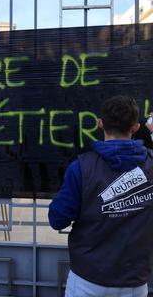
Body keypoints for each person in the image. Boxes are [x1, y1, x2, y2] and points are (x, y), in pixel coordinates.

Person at [48, 95, 153, 297]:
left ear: (100, 123)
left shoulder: (81, 168)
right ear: (135, 127)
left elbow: (57, 220)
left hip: (87, 281)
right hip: (134, 283)